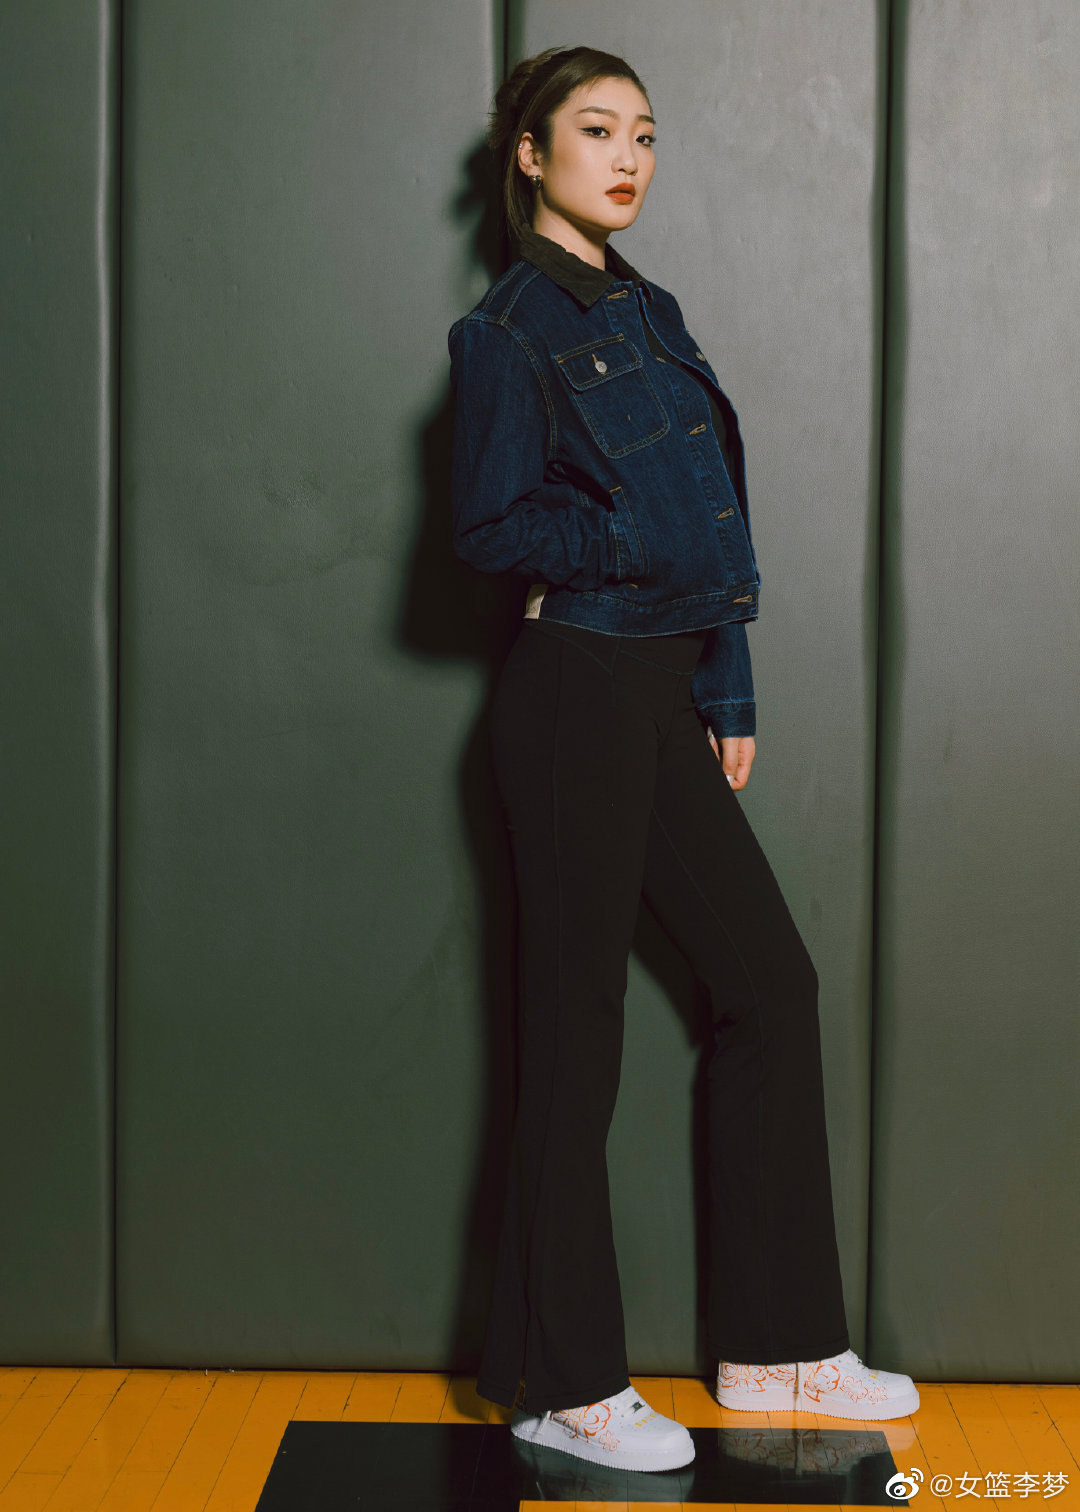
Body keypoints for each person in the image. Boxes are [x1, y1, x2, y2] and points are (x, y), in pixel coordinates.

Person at [446, 46, 920, 1474]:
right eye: (596, 131)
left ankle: (779, 1348)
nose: (628, 158)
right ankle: (562, 1382)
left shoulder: (647, 311)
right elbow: (490, 525)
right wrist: (624, 548)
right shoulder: (511, 330)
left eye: (645, 135)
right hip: (574, 695)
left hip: (662, 690)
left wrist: (727, 683)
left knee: (771, 985)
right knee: (573, 1032)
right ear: (530, 155)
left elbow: (714, 519)